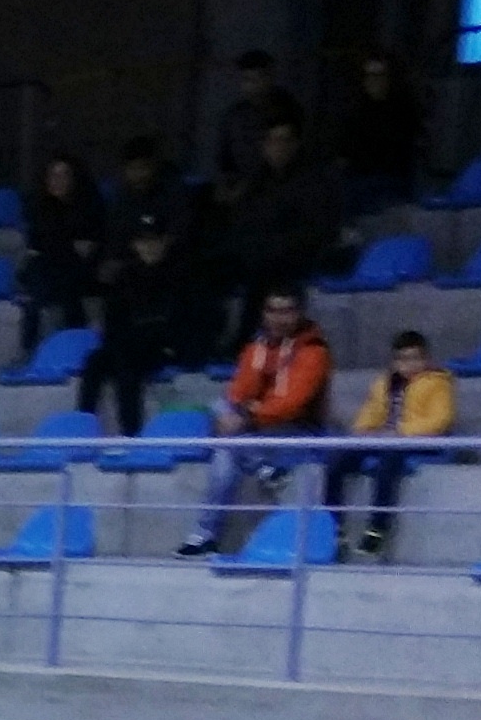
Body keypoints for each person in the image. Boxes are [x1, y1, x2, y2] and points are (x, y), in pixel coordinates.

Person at [175, 283, 330, 558]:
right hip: (256, 433)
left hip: (297, 433)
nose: (278, 318)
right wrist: (239, 412)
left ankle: (205, 533)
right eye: (272, 311)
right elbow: (238, 391)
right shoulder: (256, 347)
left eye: (286, 311)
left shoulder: (314, 351)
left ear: (299, 313)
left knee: (227, 446)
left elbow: (291, 405)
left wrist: (247, 415)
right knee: (220, 417)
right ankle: (262, 470)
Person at [208, 119, 349, 337]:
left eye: (284, 140)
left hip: (295, 255)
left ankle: (246, 338)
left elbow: (316, 230)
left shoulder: (314, 181)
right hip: (256, 251)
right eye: (271, 141)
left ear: (296, 144)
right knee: (206, 267)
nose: (277, 147)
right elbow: (242, 221)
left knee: (264, 271)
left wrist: (266, 246)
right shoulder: (257, 179)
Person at [324, 330, 453, 559]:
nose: (409, 365)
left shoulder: (438, 383)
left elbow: (439, 420)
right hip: (384, 439)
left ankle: (378, 528)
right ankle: (332, 526)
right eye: (403, 359)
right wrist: (362, 431)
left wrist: (401, 432)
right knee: (337, 460)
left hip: (420, 440)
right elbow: (371, 412)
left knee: (389, 461)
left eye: (415, 358)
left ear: (426, 359)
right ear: (394, 361)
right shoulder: (383, 384)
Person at [80, 216, 184, 435]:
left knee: (127, 366)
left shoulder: (178, 274)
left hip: (161, 347)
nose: (149, 247)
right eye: (143, 241)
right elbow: (112, 319)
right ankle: (82, 427)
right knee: (94, 361)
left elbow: (177, 319)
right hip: (126, 344)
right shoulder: (124, 276)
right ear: (135, 244)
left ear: (164, 242)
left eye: (154, 241)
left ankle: (131, 434)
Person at [15, 152, 106, 355]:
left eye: (64, 175)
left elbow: (90, 248)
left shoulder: (91, 206)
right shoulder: (38, 207)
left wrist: (62, 247)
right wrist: (66, 246)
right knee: (38, 286)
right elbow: (40, 246)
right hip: (49, 271)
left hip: (81, 273)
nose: (57, 181)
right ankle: (29, 352)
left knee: (69, 284)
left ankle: (80, 349)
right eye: (53, 175)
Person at [332, 53, 425, 215]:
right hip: (357, 183)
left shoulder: (403, 112)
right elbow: (343, 152)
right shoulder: (353, 110)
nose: (373, 81)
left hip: (392, 184)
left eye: (378, 75)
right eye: (368, 76)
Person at [212, 50, 303, 181]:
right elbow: (224, 161)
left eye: (259, 78)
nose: (253, 86)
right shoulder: (234, 116)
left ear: (270, 78)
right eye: (247, 80)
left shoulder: (289, 112)